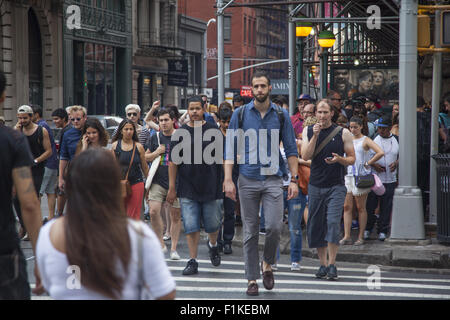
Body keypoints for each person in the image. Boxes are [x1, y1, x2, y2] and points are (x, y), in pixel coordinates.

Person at [35, 148, 175, 300]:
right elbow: (165, 293)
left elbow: (46, 284)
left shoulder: (48, 234)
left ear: (72, 186)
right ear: (114, 186)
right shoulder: (139, 236)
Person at [223, 71, 299, 296]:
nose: (259, 90)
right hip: (247, 178)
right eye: (255, 87)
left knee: (275, 227)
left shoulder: (281, 115)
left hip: (273, 178)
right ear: (252, 89)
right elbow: (230, 149)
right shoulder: (241, 114)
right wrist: (228, 179)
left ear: (269, 88)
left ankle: (267, 264)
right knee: (250, 231)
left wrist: (294, 180)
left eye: (262, 86)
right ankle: (251, 279)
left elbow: (292, 149)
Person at [167, 95, 224, 276]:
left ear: (203, 109)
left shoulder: (213, 130)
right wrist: (171, 187)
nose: (194, 112)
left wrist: (226, 181)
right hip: (187, 186)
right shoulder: (180, 133)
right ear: (187, 111)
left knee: (213, 225)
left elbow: (222, 158)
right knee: (191, 226)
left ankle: (213, 245)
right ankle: (193, 261)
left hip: (211, 185)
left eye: (197, 108)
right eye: (191, 109)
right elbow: (173, 162)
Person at [0, 71, 44, 299]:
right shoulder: (12, 140)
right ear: (3, 97)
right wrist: (39, 260)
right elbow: (29, 203)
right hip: (4, 249)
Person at [301, 99, 355, 281]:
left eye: (325, 112)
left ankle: (332, 264)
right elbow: (305, 156)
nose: (322, 116)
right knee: (316, 225)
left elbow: (352, 158)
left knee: (332, 223)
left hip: (336, 186)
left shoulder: (343, 132)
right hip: (315, 185)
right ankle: (322, 264)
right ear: (315, 114)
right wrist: (315, 136)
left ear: (332, 113)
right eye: (319, 112)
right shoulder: (308, 130)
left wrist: (340, 159)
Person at [339, 116, 384, 246]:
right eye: (351, 127)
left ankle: (360, 236)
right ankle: (347, 236)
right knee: (347, 206)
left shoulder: (365, 140)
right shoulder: (346, 139)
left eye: (355, 127)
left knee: (360, 207)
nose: (352, 129)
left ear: (361, 127)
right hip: (348, 175)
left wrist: (368, 163)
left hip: (361, 176)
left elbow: (380, 152)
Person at [145, 108, 182, 260]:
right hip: (157, 180)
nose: (164, 123)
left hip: (178, 181)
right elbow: (145, 157)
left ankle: (173, 248)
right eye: (161, 120)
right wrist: (156, 153)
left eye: (166, 120)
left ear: (173, 120)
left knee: (175, 215)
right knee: (153, 211)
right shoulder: (155, 137)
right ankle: (161, 243)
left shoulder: (181, 136)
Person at [14, 105, 52, 239]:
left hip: (36, 169)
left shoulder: (41, 131)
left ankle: (34, 228)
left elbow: (49, 151)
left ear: (31, 117)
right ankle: (25, 225)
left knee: (33, 198)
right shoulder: (17, 130)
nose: (22, 121)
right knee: (16, 199)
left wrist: (36, 161)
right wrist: (17, 132)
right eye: (19, 118)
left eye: (25, 118)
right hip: (20, 169)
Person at [365, 115, 399, 241]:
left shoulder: (396, 139)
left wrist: (396, 163)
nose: (381, 131)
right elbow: (365, 156)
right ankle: (368, 228)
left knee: (386, 205)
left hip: (390, 178)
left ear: (389, 128)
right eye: (379, 128)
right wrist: (374, 164)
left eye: (384, 128)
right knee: (370, 205)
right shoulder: (373, 139)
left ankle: (383, 230)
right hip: (374, 177)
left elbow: (402, 155)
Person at [112, 120, 149, 220]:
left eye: (131, 129)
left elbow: (145, 167)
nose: (129, 131)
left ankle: (132, 235)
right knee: (120, 215)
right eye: (126, 129)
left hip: (137, 183)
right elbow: (112, 168)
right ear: (121, 131)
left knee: (133, 215)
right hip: (119, 184)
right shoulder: (115, 146)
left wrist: (149, 186)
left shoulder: (139, 147)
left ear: (134, 131)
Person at [216, 103, 239, 255]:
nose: (225, 125)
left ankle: (228, 241)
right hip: (216, 178)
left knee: (230, 211)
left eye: (228, 122)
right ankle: (216, 240)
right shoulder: (214, 135)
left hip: (233, 177)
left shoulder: (238, 136)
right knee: (216, 211)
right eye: (223, 122)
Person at [32, 105, 59, 222]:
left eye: (30, 114)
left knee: (38, 193)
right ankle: (51, 217)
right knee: (50, 192)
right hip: (52, 163)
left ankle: (36, 220)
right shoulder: (45, 125)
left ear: (36, 114)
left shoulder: (40, 127)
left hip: (46, 163)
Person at [58, 106, 87, 205]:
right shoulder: (68, 134)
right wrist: (60, 178)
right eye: (72, 119)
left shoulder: (90, 131)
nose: (75, 121)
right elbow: (63, 157)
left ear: (84, 118)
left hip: (90, 172)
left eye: (78, 119)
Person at [51, 108, 71, 218]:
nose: (54, 121)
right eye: (53, 119)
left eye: (57, 119)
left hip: (67, 168)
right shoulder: (65, 130)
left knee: (61, 191)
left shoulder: (67, 131)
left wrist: (61, 174)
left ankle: (59, 214)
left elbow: (64, 154)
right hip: (64, 167)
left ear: (64, 119)